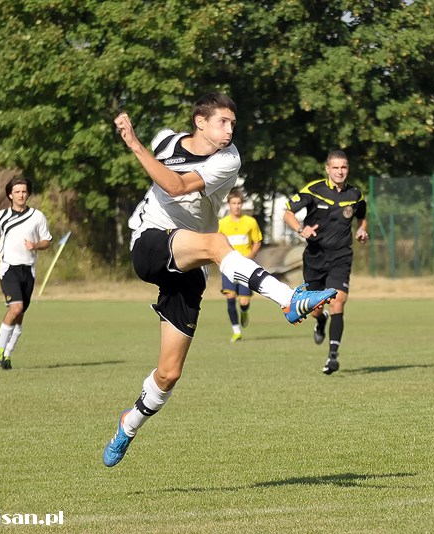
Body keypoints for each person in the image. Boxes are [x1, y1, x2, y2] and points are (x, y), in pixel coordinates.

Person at [103, 93, 337, 467]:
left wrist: (134, 144)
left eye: (233, 123)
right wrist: (135, 143)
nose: (229, 130)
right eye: (222, 122)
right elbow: (167, 186)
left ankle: (128, 425)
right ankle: (287, 298)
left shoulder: (228, 159)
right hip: (149, 242)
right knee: (216, 242)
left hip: (189, 263)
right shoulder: (165, 140)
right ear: (200, 122)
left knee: (169, 374)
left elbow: (177, 186)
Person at [283, 150, 368, 375]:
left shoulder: (355, 194)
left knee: (338, 301)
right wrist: (301, 229)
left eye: (344, 167)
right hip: (315, 257)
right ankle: (320, 321)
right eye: (336, 167)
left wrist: (362, 230)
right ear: (327, 169)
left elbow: (362, 216)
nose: (340, 171)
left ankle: (333, 357)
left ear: (348, 169)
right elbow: (288, 213)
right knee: (315, 309)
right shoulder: (314, 190)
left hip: (341, 256)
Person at [0, 177, 53, 370]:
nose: (21, 195)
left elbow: (47, 241)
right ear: (10, 195)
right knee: (16, 308)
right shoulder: (1, 217)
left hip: (28, 270)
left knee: (20, 315)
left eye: (24, 191)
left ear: (28, 194)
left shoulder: (37, 216)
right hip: (9, 268)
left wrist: (36, 245)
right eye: (17, 192)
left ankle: (7, 355)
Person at [217, 187, 263, 342]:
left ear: (242, 205)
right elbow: (217, 243)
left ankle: (244, 311)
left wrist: (251, 256)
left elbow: (257, 241)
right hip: (228, 266)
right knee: (230, 297)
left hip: (245, 266)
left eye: (238, 203)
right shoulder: (222, 224)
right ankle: (236, 331)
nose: (236, 206)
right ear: (229, 205)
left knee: (243, 301)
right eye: (233, 203)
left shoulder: (250, 222)